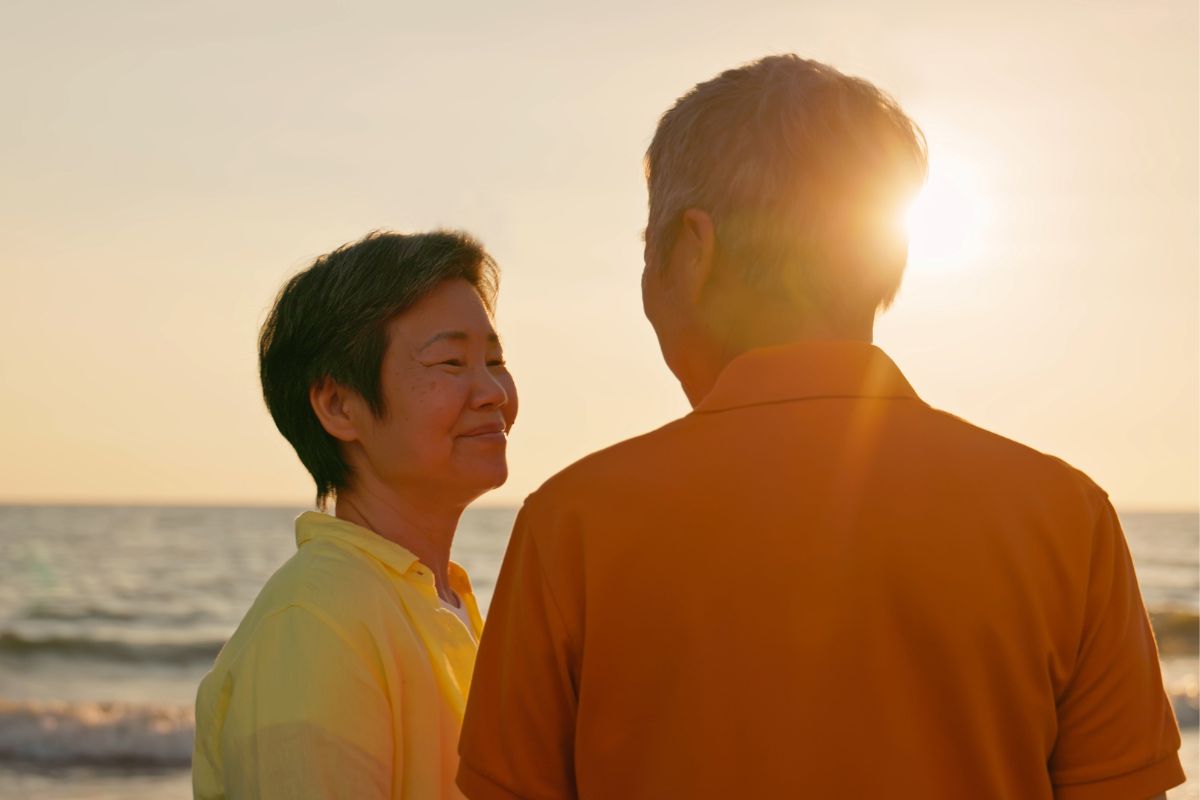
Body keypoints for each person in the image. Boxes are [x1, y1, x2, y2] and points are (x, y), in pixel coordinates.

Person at [457, 55, 1183, 799]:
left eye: (652, 249)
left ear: (693, 250)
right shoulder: (1065, 517)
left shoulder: (572, 525)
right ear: (887, 254)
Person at [193, 230, 517, 799]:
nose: (492, 390)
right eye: (451, 361)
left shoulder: (435, 599)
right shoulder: (317, 621)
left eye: (495, 360)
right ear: (339, 405)